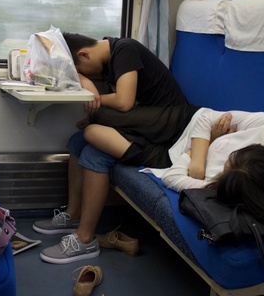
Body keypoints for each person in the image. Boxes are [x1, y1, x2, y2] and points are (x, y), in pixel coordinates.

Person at [35, 33, 199, 264]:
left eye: (82, 70)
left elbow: (124, 101)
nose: (88, 75)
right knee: (77, 141)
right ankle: (74, 214)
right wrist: (85, 80)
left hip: (166, 131)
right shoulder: (106, 55)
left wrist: (94, 97)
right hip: (144, 126)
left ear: (84, 54)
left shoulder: (125, 49)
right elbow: (50, 43)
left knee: (94, 147)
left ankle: (85, 239)